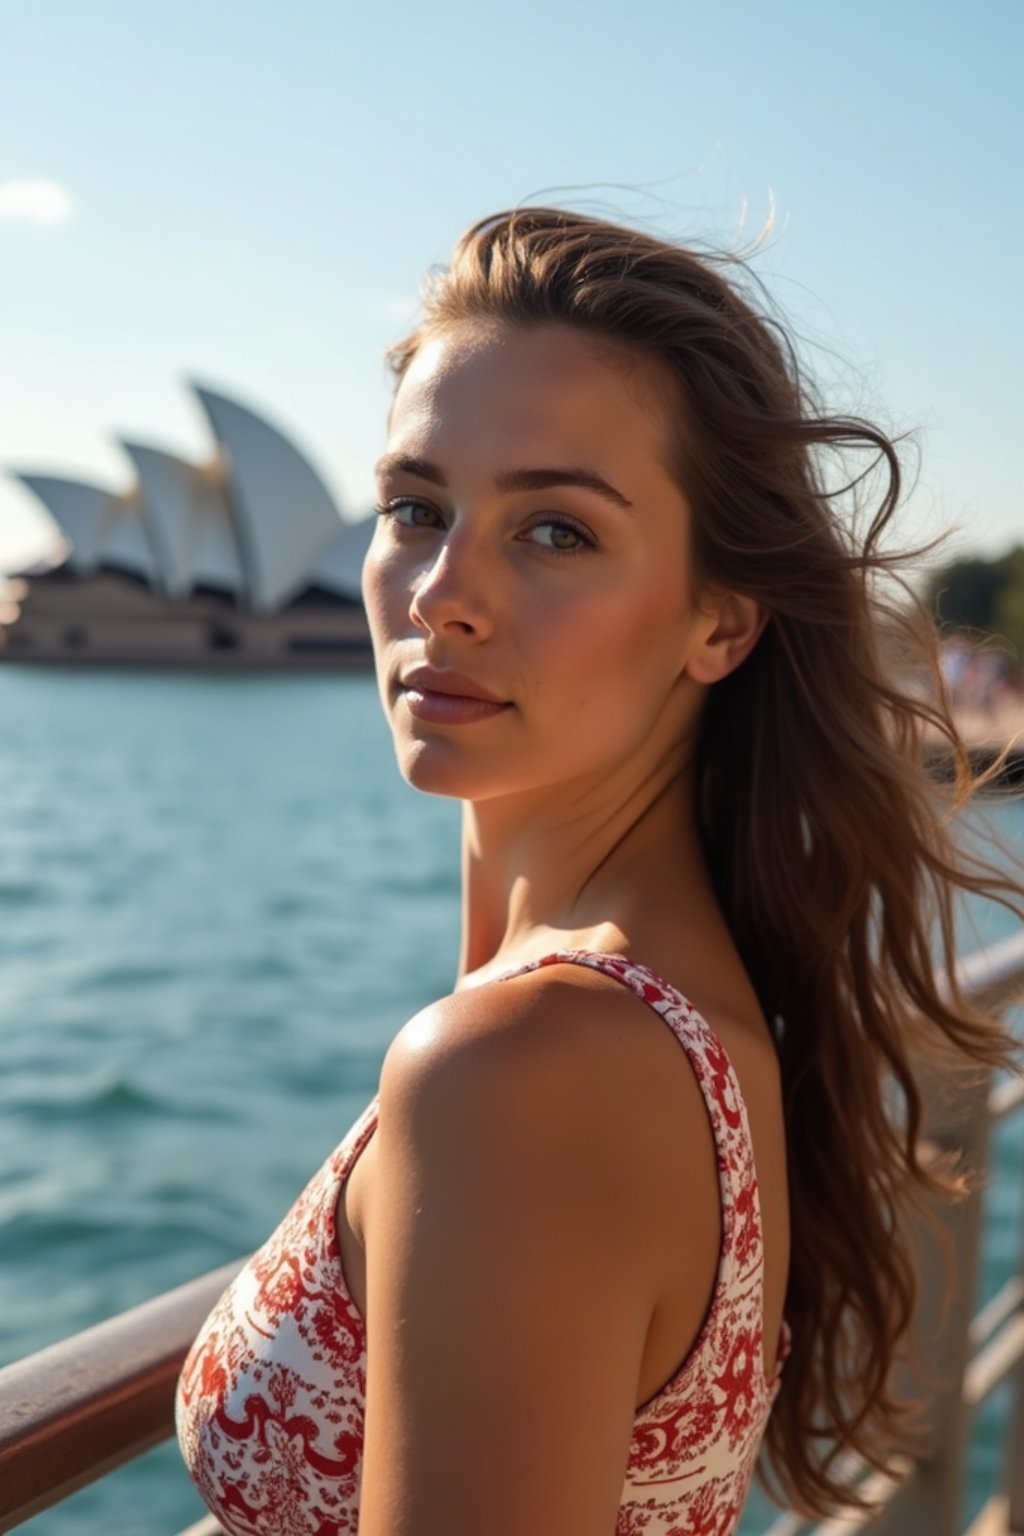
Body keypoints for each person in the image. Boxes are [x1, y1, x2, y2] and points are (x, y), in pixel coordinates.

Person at [175, 206, 1019, 1535]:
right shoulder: (676, 1009)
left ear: (720, 621)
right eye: (415, 507)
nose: (442, 592)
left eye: (555, 530)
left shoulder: (526, 1072)